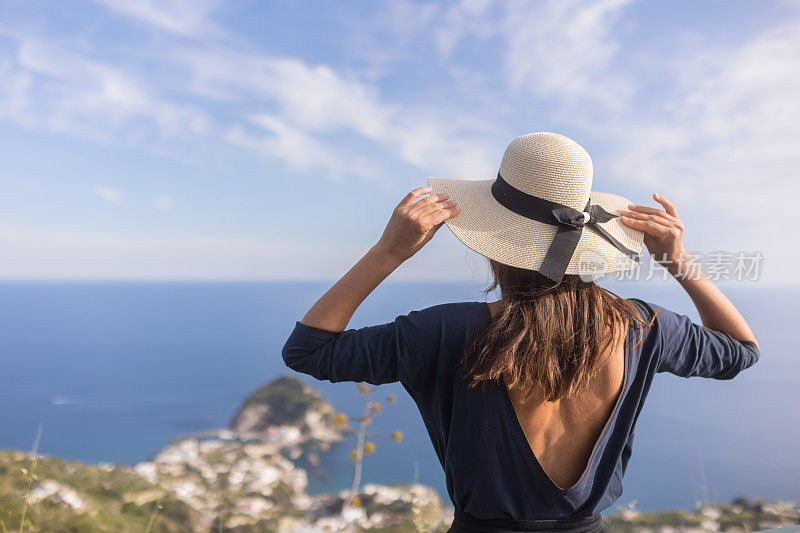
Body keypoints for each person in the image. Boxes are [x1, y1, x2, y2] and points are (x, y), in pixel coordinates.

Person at [281, 132, 760, 532]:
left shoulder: (446, 331)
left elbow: (309, 350)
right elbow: (741, 351)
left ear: (494, 241)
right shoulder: (642, 327)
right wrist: (679, 262)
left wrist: (389, 251)